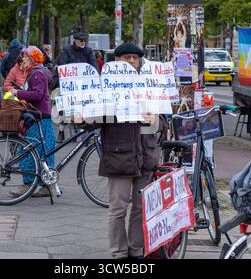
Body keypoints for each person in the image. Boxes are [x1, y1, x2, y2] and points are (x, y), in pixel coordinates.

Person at [76, 43, 167, 259]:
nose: (132, 62)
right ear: (117, 61)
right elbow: (93, 118)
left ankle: (136, 250)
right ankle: (118, 253)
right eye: (127, 58)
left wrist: (155, 119)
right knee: (118, 210)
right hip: (119, 156)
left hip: (145, 156)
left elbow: (164, 120)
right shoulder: (106, 88)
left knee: (139, 209)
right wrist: (82, 119)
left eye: (136, 58)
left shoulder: (149, 85)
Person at [9, 46, 56, 198]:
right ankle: (46, 184)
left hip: (38, 116)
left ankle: (28, 184)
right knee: (45, 151)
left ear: (33, 58)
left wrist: (18, 93)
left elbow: (37, 94)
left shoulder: (36, 74)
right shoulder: (40, 72)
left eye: (26, 57)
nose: (23, 59)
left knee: (29, 150)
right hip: (43, 116)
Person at [52, 32, 99, 143]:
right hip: (69, 84)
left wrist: (96, 75)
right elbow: (63, 65)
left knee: (85, 107)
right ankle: (61, 131)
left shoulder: (88, 51)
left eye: (84, 41)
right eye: (80, 40)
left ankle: (84, 131)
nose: (83, 42)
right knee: (64, 107)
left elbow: (94, 65)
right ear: (75, 40)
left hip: (83, 84)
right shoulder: (67, 50)